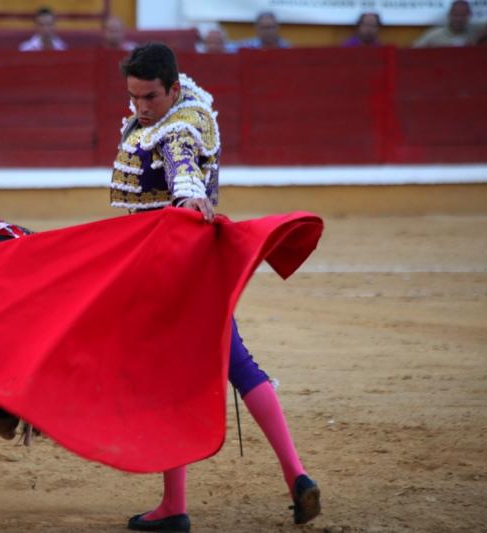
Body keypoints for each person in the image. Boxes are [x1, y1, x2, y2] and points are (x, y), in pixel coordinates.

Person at [112, 42, 320, 532]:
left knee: (170, 382)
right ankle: (297, 476)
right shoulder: (185, 110)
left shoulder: (178, 129)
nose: (141, 108)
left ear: (174, 89)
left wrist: (189, 200)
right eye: (134, 97)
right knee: (238, 365)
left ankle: (174, 507)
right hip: (191, 265)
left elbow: (184, 174)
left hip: (172, 267)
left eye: (150, 98)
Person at [413, 0, 487, 47]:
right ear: (449, 15)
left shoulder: (475, 31)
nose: (459, 19)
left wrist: (479, 38)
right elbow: (414, 51)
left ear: (469, 15)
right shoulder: (434, 35)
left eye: (463, 15)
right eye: (456, 15)